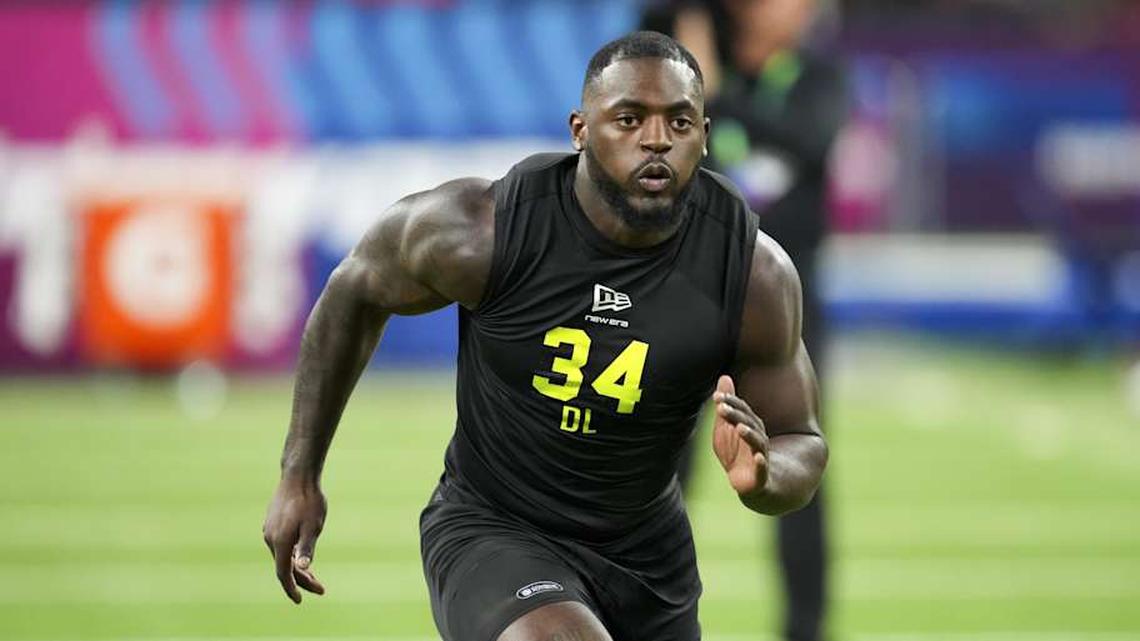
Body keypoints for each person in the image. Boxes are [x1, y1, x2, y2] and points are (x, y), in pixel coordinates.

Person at [262, 31, 827, 641]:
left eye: (679, 122)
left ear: (704, 134)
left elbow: (801, 440)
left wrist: (766, 478)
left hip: (647, 557)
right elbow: (355, 290)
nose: (657, 140)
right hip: (496, 528)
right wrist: (300, 473)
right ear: (580, 129)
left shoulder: (750, 272)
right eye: (629, 119)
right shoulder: (483, 230)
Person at [644, 3, 848, 640]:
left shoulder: (816, 75)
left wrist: (715, 90)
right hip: (689, 297)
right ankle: (638, 616)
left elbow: (808, 143)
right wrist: (693, 71)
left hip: (786, 306)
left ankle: (804, 630)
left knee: (798, 468)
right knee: (657, 474)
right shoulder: (684, 79)